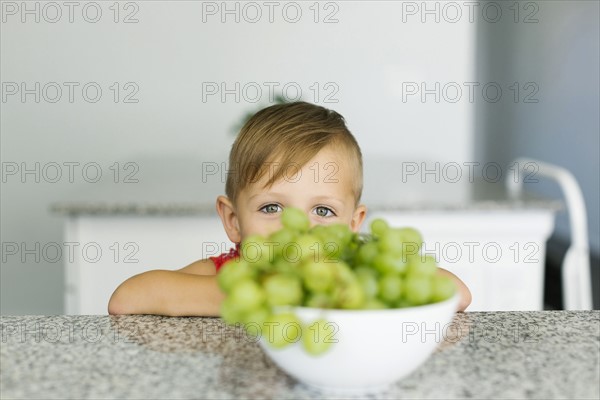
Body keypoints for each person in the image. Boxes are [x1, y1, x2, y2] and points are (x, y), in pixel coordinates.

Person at [108, 102, 472, 316]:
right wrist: (261, 296)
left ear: (353, 223)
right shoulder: (226, 272)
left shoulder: (353, 274)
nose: (297, 229)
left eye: (324, 212)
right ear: (234, 221)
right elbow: (127, 298)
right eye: (271, 207)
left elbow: (458, 292)